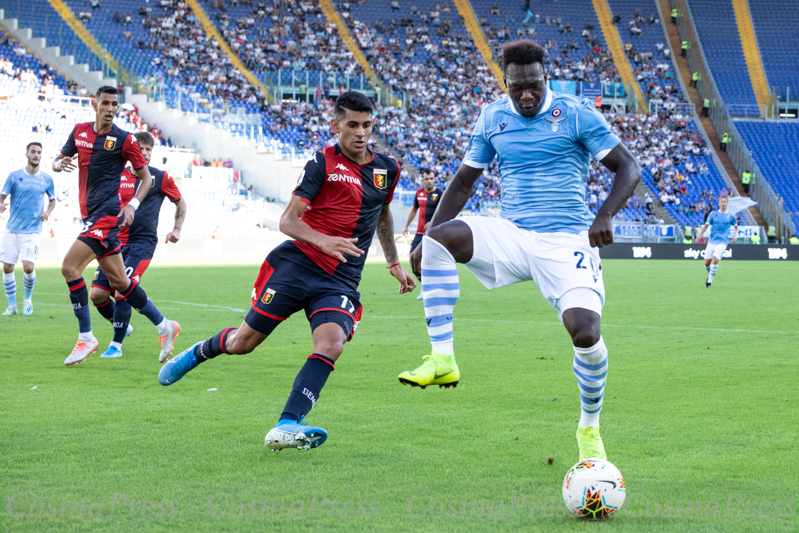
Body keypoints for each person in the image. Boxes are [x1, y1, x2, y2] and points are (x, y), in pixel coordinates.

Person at [398, 41, 641, 462]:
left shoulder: (575, 112)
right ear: (505, 82)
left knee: (585, 332)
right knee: (439, 239)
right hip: (513, 234)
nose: (526, 95)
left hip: (567, 239)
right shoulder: (493, 116)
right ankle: (442, 358)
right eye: (517, 88)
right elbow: (463, 183)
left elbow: (629, 167)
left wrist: (604, 215)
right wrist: (425, 237)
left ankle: (589, 428)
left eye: (534, 85)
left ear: (545, 78)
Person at [158, 92, 416, 451]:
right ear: (336, 125)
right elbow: (288, 221)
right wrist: (323, 240)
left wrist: (393, 262)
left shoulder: (387, 168)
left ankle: (287, 424)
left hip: (341, 278)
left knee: (332, 343)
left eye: (367, 125)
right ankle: (200, 350)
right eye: (352, 125)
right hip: (298, 266)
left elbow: (382, 213)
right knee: (242, 344)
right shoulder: (321, 163)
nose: (360, 133)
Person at [52, 86, 180, 366]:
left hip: (108, 216)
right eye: (106, 103)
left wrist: (132, 204)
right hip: (90, 214)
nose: (110, 109)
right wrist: (58, 164)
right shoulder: (79, 132)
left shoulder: (124, 139)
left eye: (115, 104)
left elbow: (146, 179)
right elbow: (60, 159)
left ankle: (86, 337)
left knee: (69, 268)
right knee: (121, 283)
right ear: (94, 104)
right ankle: (164, 326)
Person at [89, 132, 187, 359]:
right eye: (141, 149)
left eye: (148, 150)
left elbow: (180, 202)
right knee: (96, 294)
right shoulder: (118, 175)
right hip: (114, 242)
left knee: (123, 288)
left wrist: (177, 229)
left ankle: (116, 345)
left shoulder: (160, 178)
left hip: (141, 243)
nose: (144, 153)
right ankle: (122, 323)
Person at [0, 142, 55, 316]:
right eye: (33, 152)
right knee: (8, 267)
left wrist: (47, 211)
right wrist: (1, 204)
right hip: (12, 229)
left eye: (39, 152)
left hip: (32, 230)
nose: (36, 155)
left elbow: (53, 199)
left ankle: (27, 298)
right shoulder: (14, 176)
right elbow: (2, 196)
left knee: (28, 268)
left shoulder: (46, 179)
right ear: (26, 154)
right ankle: (11, 307)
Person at [402, 169, 442, 298]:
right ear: (423, 180)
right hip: (420, 233)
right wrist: (407, 226)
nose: (429, 181)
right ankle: (425, 286)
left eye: (431, 178)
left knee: (432, 261)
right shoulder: (418, 193)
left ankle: (435, 287)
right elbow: (414, 210)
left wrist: (433, 222)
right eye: (427, 179)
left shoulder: (440, 194)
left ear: (434, 179)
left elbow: (444, 212)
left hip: (434, 232)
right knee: (412, 258)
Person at [696, 194, 737, 288]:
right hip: (712, 241)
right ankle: (711, 273)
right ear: (718, 203)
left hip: (722, 242)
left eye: (724, 202)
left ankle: (709, 282)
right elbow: (706, 226)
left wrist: (735, 235)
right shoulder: (713, 214)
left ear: (727, 203)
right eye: (721, 202)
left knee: (715, 259)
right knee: (706, 264)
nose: (723, 203)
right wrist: (699, 235)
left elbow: (736, 226)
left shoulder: (731, 216)